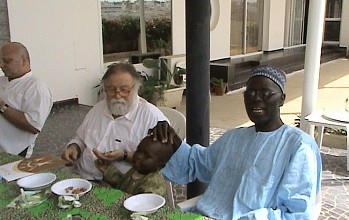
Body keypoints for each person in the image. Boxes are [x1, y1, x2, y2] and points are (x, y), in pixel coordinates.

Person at [151, 65, 322, 219]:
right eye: (250, 93)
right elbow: (197, 162)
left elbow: (298, 214)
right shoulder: (234, 138)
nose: (256, 98)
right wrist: (172, 140)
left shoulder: (299, 146)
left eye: (265, 93)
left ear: (282, 99)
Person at [61, 63, 167, 180]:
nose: (117, 95)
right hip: (81, 176)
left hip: (122, 186)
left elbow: (161, 159)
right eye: (111, 89)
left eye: (124, 90)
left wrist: (125, 156)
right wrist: (74, 148)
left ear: (136, 88)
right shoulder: (97, 109)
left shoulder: (152, 117)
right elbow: (80, 139)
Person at [0, 42, 52, 158]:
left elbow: (33, 126)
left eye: (7, 61)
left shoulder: (36, 87)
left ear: (23, 60)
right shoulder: (2, 81)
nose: (1, 65)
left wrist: (2, 107)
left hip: (14, 153)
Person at [93, 135, 174, 196]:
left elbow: (145, 205)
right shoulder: (136, 170)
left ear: (159, 166)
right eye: (138, 150)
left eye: (146, 156)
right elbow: (123, 183)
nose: (138, 156)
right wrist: (108, 171)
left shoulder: (154, 183)